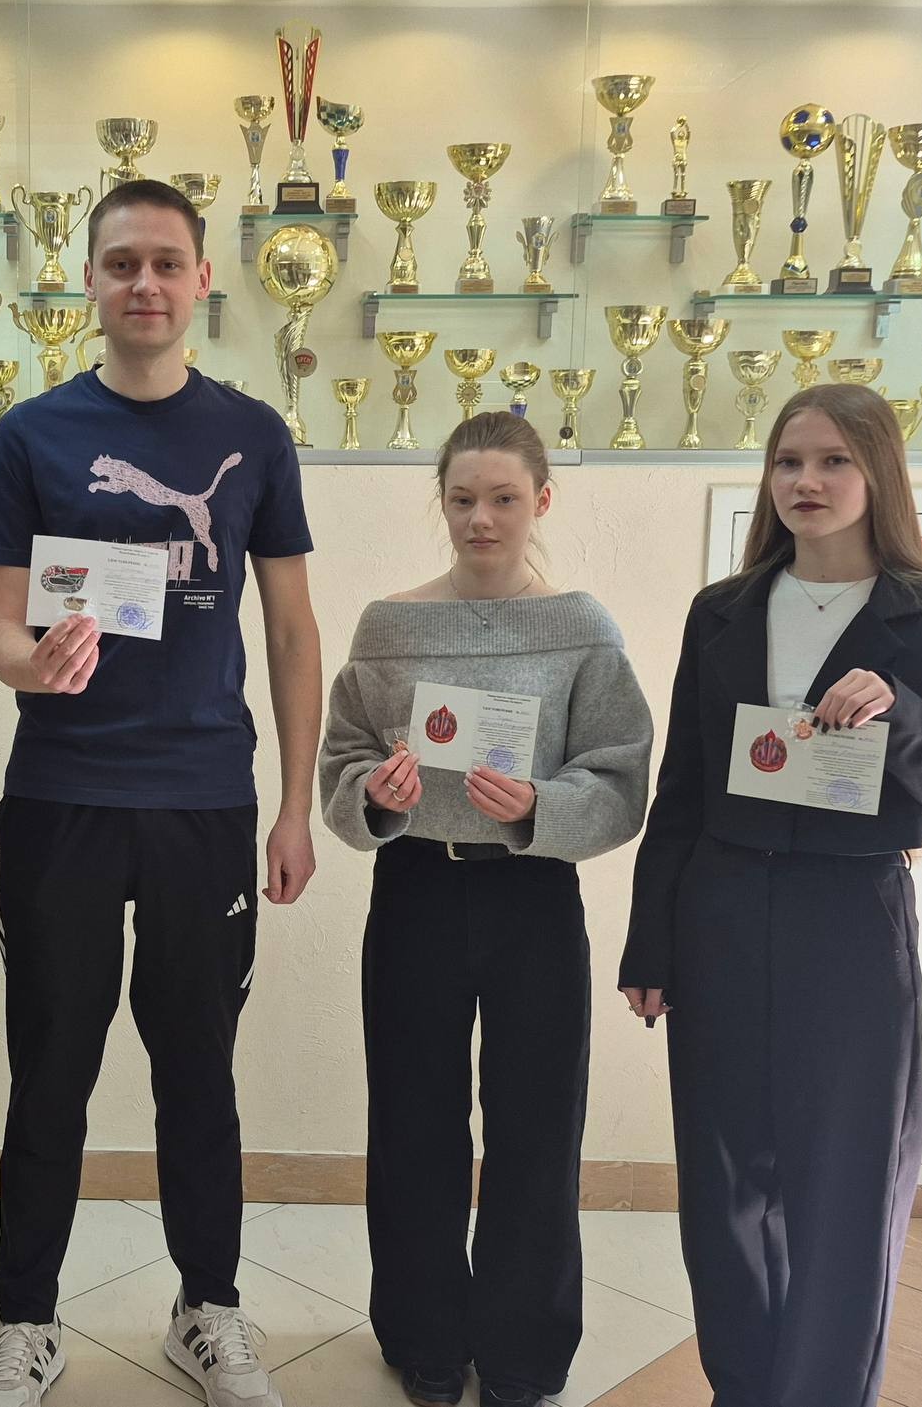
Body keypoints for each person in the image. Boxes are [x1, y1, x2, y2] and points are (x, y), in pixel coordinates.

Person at [0, 178, 322, 1407]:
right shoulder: (32, 435)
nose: (145, 284)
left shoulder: (254, 434)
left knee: (197, 1073)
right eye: (122, 263)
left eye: (167, 262)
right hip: (60, 798)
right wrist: (30, 664)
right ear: (90, 281)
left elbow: (290, 632)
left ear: (202, 280)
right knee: (50, 1069)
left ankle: (207, 1308)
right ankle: (26, 1319)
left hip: (203, 803)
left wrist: (291, 807)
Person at [617, 383, 922, 1407]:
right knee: (724, 1188)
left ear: (878, 472)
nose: (806, 480)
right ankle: (742, 1389)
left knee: (844, 1191)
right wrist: (650, 943)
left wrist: (905, 715)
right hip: (718, 914)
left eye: (834, 460)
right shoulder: (722, 611)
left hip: (850, 921)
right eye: (788, 460)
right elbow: (680, 791)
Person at [316, 413, 653, 1407]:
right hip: (416, 886)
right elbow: (342, 760)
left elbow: (621, 774)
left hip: (531, 892)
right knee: (413, 1120)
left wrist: (542, 806)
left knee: (536, 1126)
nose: (481, 519)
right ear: (442, 502)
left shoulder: (582, 628)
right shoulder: (389, 625)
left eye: (504, 498)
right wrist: (377, 793)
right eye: (462, 498)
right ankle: (423, 1333)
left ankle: (523, 1352)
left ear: (541, 501)